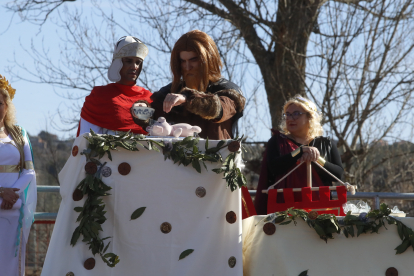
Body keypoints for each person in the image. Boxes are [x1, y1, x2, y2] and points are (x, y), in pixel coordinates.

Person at [254, 96, 344, 215]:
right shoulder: (277, 141)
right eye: (287, 114)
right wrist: (299, 152)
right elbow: (274, 167)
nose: (290, 118)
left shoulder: (327, 143)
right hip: (285, 207)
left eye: (296, 114)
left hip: (321, 207)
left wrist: (316, 159)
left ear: (309, 117)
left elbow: (338, 174)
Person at [150, 30, 246, 140]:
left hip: (214, 156)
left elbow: (217, 109)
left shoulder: (228, 91)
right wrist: (141, 110)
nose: (187, 66)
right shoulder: (169, 92)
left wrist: (188, 98)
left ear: (208, 59)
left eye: (193, 60)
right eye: (182, 61)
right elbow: (151, 121)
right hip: (173, 156)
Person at [77, 36, 153, 136]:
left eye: (138, 62)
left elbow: (155, 134)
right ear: (118, 63)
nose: (135, 66)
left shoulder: (149, 97)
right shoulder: (100, 96)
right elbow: (86, 138)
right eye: (129, 61)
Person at [0, 75, 37, 275]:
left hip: (13, 208)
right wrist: (1, 192)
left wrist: (11, 194)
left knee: (11, 265)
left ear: (6, 106)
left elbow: (28, 170)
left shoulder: (18, 133)